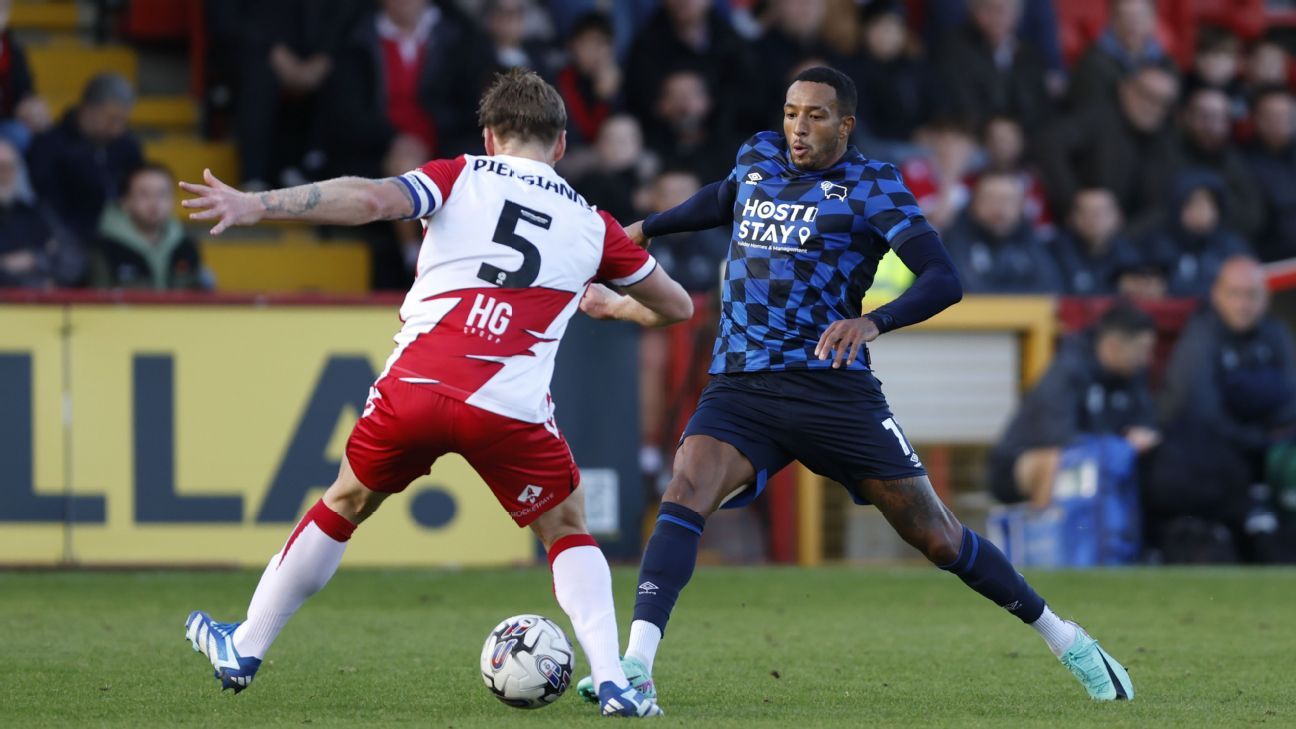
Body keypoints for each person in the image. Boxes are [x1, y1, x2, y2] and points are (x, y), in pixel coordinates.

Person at [572, 66, 1135, 706]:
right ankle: (636, 667)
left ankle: (1066, 638)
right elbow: (722, 199)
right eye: (790, 112)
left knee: (938, 537)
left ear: (846, 124)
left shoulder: (872, 186)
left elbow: (942, 279)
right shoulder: (758, 156)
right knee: (685, 489)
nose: (797, 128)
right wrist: (643, 230)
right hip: (742, 384)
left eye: (814, 116)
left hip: (831, 389)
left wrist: (873, 321)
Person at [178, 69, 692, 718]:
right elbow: (674, 305)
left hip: (415, 389)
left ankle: (246, 645)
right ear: (561, 145)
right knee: (565, 526)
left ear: (489, 135)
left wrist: (259, 204)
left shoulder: (458, 175)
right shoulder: (594, 226)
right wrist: (615, 308)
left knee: (345, 501)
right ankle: (614, 678)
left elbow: (367, 200)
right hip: (508, 409)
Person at [1147, 256, 1296, 563]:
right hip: (1208, 456)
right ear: (1217, 294)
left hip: (1262, 447)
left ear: (1265, 298)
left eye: (1252, 295)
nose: (1244, 304)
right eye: (1235, 294)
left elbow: (1291, 399)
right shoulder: (1200, 339)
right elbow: (1202, 414)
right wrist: (1263, 439)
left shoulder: (1276, 336)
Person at [988, 302, 1160, 507]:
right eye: (1142, 349)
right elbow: (1059, 438)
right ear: (1113, 345)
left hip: (1097, 461)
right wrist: (1120, 447)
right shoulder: (1068, 371)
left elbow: (1146, 423)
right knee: (1057, 461)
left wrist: (1142, 436)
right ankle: (1047, 531)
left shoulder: (1133, 376)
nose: (1148, 359)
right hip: (1017, 468)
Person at [1035, 65, 1179, 227]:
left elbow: (1158, 208)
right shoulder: (1097, 118)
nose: (1153, 107)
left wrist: (1123, 234)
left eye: (1163, 103)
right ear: (1125, 88)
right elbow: (1048, 144)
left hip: (1130, 242)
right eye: (1146, 95)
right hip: (1076, 231)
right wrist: (1073, 202)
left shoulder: (1166, 142)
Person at [26, 73, 142, 242]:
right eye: (112, 119)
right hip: (71, 240)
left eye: (123, 121)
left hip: (125, 238)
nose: (117, 129)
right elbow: (47, 206)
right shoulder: (50, 146)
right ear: (88, 109)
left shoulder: (127, 146)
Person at [931, 0, 1053, 132]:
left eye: (1003, 10)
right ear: (973, 12)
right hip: (971, 135)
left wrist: (1016, 133)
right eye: (988, 9)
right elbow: (961, 107)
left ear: (1017, 15)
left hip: (1021, 139)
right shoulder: (952, 50)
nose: (996, 17)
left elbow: (1039, 111)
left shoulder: (1029, 56)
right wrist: (993, 130)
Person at [91, 163, 208, 290]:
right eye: (144, 194)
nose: (154, 202)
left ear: (172, 200)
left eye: (162, 194)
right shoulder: (104, 249)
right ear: (125, 201)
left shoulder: (186, 246)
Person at [943, 170, 1062, 293]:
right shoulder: (954, 237)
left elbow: (1050, 287)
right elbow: (965, 289)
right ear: (973, 204)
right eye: (990, 199)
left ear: (1021, 206)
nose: (999, 207)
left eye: (1008, 200)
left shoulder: (1029, 235)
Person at [1138, 170, 1249, 298]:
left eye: (1209, 203)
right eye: (1193, 203)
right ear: (1177, 207)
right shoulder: (1157, 246)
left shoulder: (1233, 246)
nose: (1202, 210)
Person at [1066, 0, 1176, 111]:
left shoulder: (1166, 65)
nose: (1132, 24)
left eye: (1139, 16)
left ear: (1154, 19)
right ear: (1112, 20)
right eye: (1124, 16)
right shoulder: (1091, 65)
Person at [1050, 188, 1140, 296]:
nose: (1093, 219)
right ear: (1070, 218)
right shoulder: (1053, 254)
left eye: (1101, 212)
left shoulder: (1134, 257)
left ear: (1118, 218)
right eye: (1085, 212)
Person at [1243, 86, 1296, 262]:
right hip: (1276, 261)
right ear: (1256, 119)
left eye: (1286, 115)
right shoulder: (1243, 164)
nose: (1281, 121)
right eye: (1272, 116)